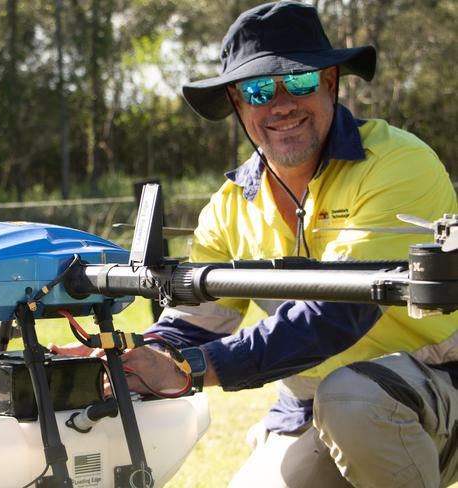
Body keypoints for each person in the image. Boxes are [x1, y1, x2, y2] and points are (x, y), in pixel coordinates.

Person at [54, 2, 458, 486]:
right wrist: (138, 354)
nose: (282, 103)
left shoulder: (396, 163)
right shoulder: (228, 206)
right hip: (311, 410)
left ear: (331, 82)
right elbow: (195, 322)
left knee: (354, 399)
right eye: (259, 89)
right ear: (236, 103)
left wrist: (191, 368)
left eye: (301, 81)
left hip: (437, 391)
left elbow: (339, 312)